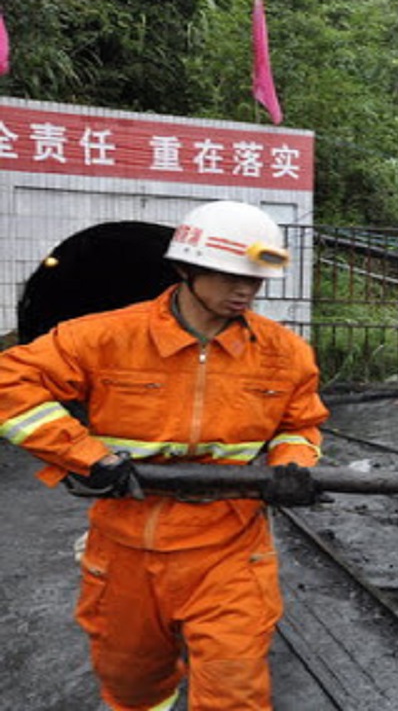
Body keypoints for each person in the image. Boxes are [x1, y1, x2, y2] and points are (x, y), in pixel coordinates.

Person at [0, 200, 330, 710]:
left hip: (229, 547)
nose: (245, 290)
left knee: (235, 688)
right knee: (132, 683)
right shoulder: (107, 337)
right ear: (184, 269)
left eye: (255, 279)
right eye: (230, 276)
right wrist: (86, 456)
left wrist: (292, 465)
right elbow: (11, 383)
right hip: (127, 546)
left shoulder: (285, 354)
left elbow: (300, 424)